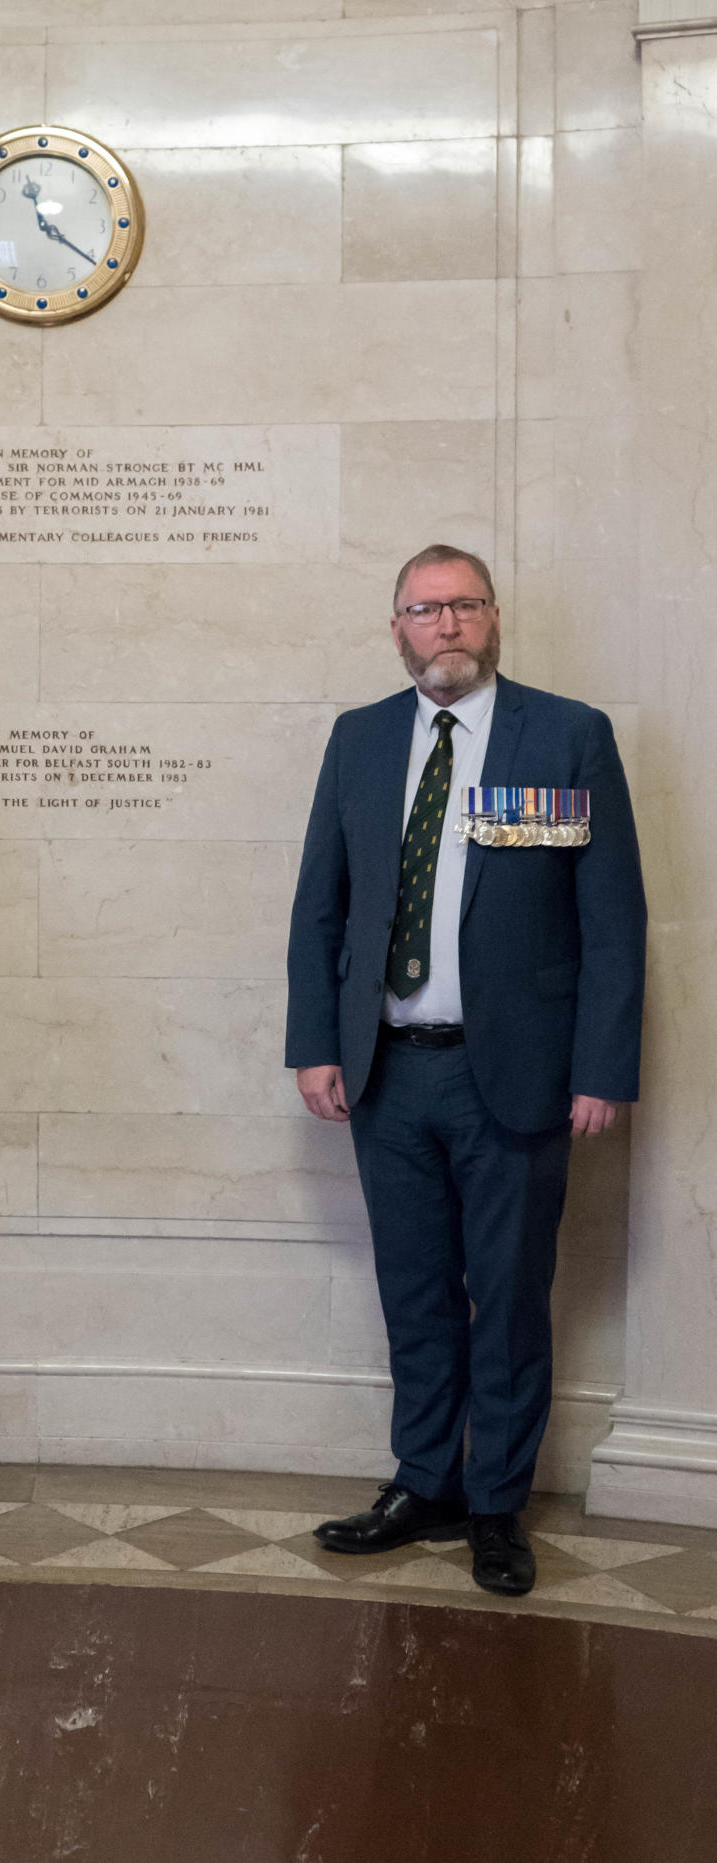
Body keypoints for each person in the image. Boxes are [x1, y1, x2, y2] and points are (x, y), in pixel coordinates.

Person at [286, 544, 646, 1595]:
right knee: (416, 1294)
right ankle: (424, 1483)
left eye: (465, 607)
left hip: (522, 1076)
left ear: (494, 620)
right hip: (388, 1074)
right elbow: (321, 906)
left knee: (509, 1292)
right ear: (395, 626)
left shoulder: (567, 735)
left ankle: (497, 1504)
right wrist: (316, 1041)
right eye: (424, 609)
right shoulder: (359, 740)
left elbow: (611, 922)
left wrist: (602, 1065)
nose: (445, 626)